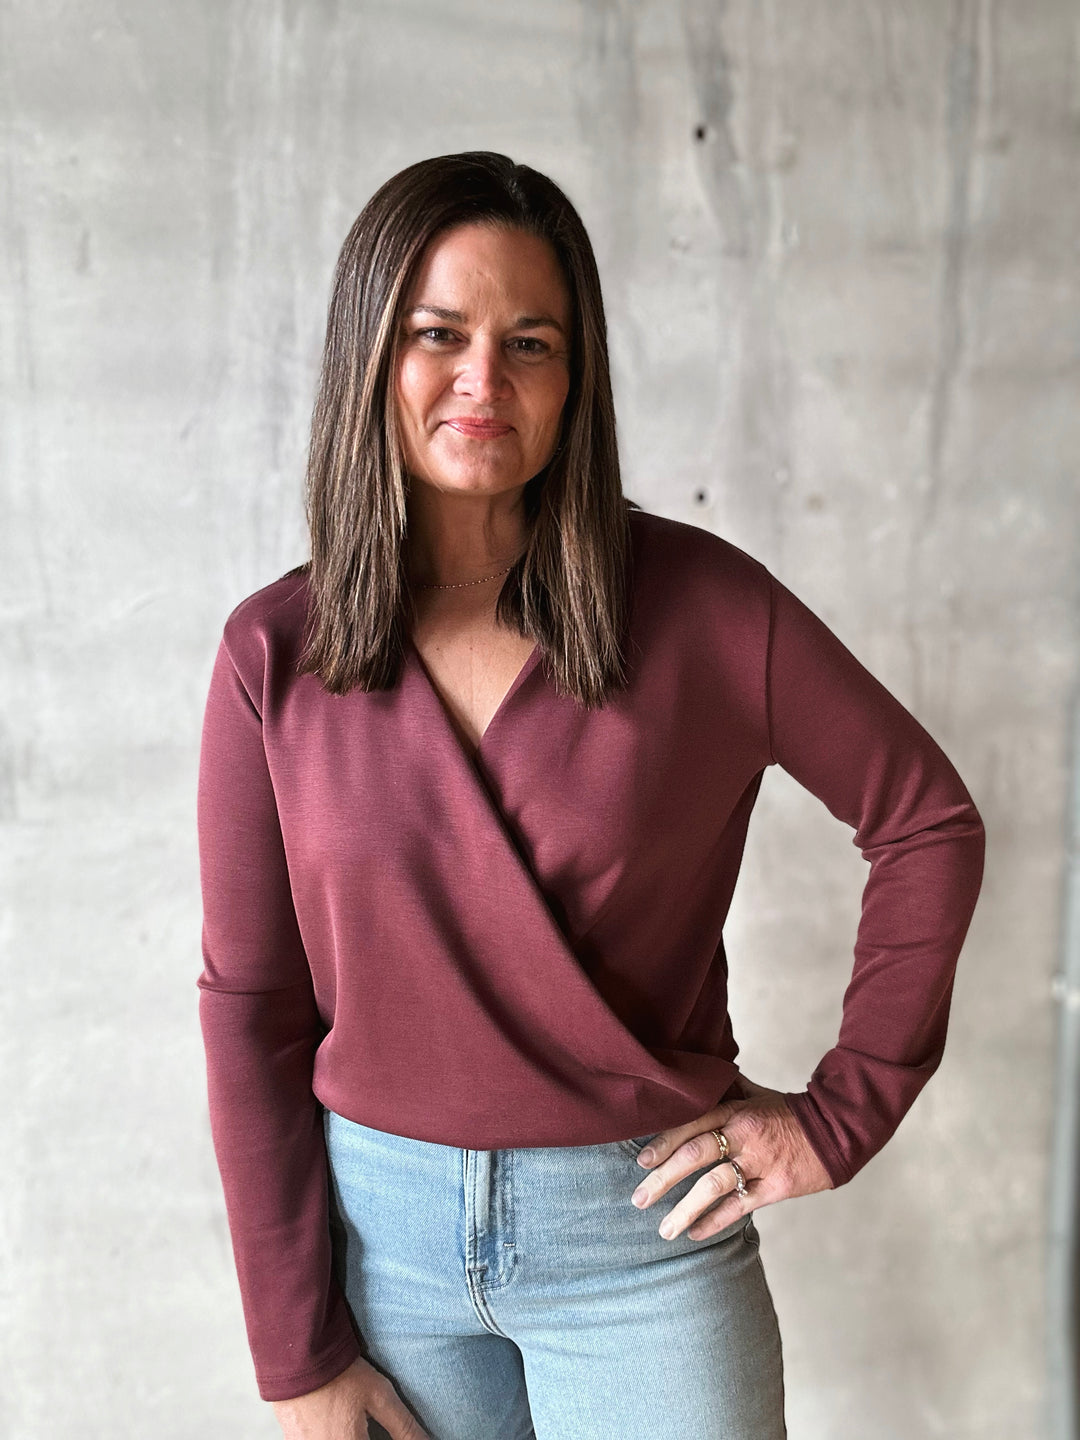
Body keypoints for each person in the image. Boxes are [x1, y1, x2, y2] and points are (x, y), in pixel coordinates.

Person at [196, 151, 986, 1440]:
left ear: (579, 379)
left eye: (531, 342)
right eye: (436, 333)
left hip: (645, 1251)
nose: (481, 380)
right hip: (376, 1259)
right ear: (368, 356)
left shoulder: (710, 611)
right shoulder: (271, 654)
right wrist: (295, 1355)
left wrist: (844, 1114)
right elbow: (251, 1011)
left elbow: (928, 823)